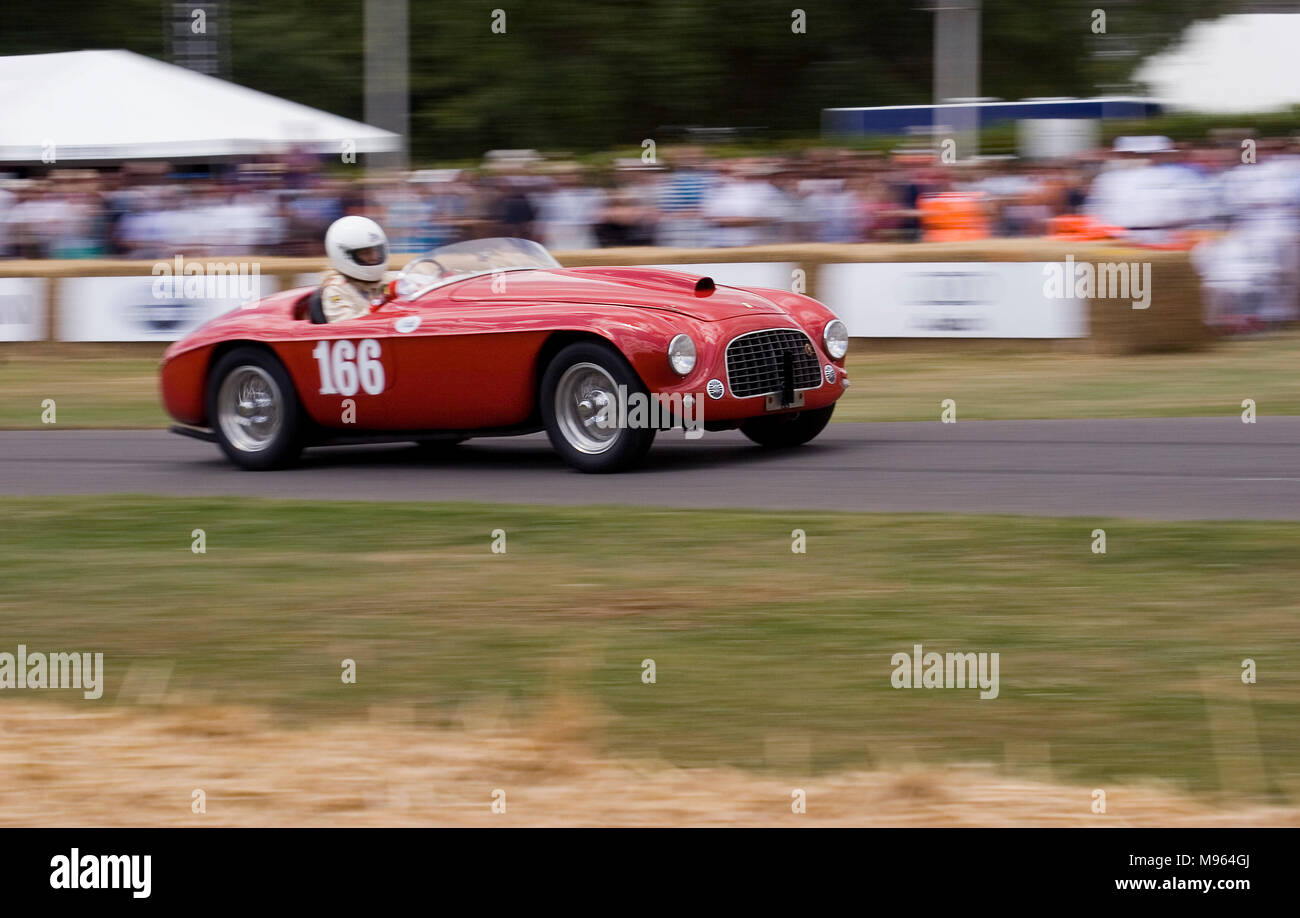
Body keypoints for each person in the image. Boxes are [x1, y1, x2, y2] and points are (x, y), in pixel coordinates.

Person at [320, 216, 391, 323]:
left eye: (377, 250)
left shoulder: (387, 280)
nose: (374, 257)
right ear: (344, 255)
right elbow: (345, 326)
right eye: (365, 252)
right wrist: (378, 304)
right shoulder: (335, 290)